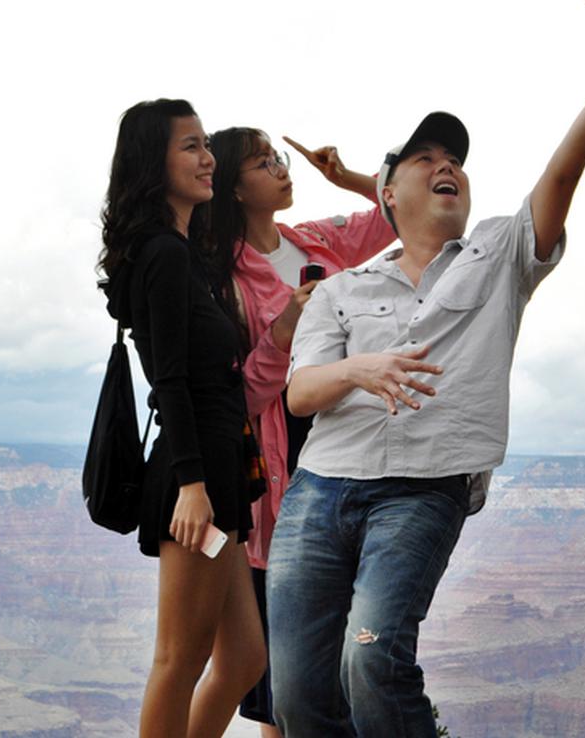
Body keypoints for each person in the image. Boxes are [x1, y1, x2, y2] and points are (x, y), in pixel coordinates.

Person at [266, 0, 585, 738]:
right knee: (298, 696)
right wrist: (360, 370)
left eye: (457, 161)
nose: (449, 167)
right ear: (389, 193)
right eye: (426, 158)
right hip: (319, 494)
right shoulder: (343, 288)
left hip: (422, 492)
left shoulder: (501, 253)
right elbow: (300, 393)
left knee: (371, 661)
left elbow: (565, 170)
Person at [202, 126, 396, 734]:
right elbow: (241, 396)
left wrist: (348, 178)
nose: (282, 171)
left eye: (279, 159)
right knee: (280, 684)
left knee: (337, 657)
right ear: (233, 187)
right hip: (282, 475)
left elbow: (396, 215)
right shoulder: (225, 276)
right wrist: (285, 327)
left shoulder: (314, 239)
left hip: (350, 456)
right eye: (264, 164)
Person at [98, 98, 266, 738]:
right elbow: (168, 379)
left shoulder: (184, 252)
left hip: (220, 470)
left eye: (207, 145)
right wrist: (193, 486)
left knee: (245, 657)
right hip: (192, 475)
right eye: (191, 146)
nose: (208, 159)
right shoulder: (163, 255)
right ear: (154, 163)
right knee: (179, 659)